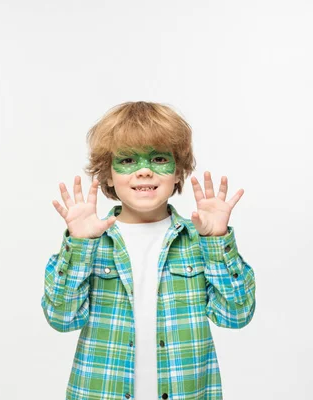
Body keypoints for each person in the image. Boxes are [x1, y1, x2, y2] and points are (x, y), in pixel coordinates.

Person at [42, 101, 256, 400]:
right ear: (106, 175)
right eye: (128, 161)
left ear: (178, 172)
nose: (144, 171)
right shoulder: (90, 243)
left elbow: (236, 314)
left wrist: (217, 239)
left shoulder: (200, 240)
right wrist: (79, 245)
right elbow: (61, 318)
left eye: (158, 159)